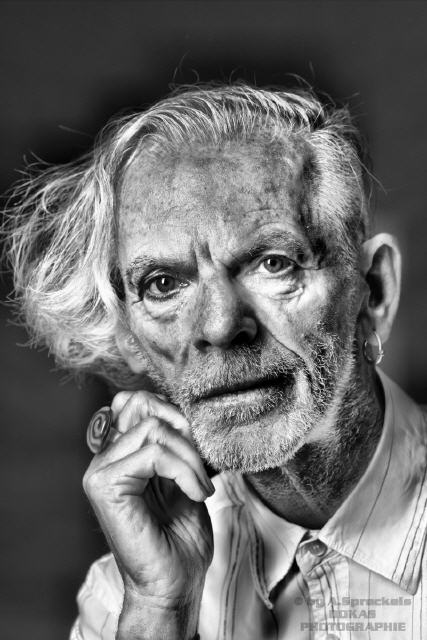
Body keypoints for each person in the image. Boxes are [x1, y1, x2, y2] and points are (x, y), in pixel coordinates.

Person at [6, 83, 427, 640]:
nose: (221, 326)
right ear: (130, 336)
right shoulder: (122, 598)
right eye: (163, 284)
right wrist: (160, 606)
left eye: (273, 263)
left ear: (373, 293)